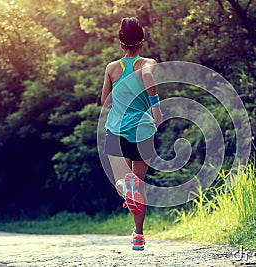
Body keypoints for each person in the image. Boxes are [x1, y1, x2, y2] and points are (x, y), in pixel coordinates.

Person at [100, 17, 163, 251]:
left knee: (120, 180)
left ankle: (125, 188)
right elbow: (147, 77)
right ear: (142, 42)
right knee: (140, 183)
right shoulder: (148, 62)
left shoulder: (111, 68)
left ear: (120, 42)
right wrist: (156, 110)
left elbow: (105, 102)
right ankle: (138, 235)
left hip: (116, 129)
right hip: (142, 129)